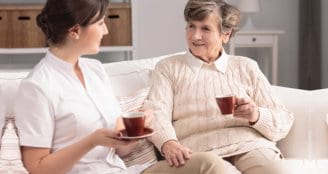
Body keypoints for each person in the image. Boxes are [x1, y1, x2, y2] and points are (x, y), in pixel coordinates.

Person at [14, 0, 226, 173]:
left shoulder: (94, 70)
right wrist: (91, 141)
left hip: (123, 170)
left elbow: (120, 151)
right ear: (75, 31)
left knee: (209, 164)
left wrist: (135, 131)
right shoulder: (37, 87)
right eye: (100, 23)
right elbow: (37, 167)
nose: (105, 30)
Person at [148, 0, 294, 174]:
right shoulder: (168, 68)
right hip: (198, 153)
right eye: (191, 26)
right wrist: (168, 143)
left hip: (250, 145)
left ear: (226, 34)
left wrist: (256, 115)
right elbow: (156, 112)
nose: (195, 36)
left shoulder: (246, 66)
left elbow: (283, 121)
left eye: (205, 29)